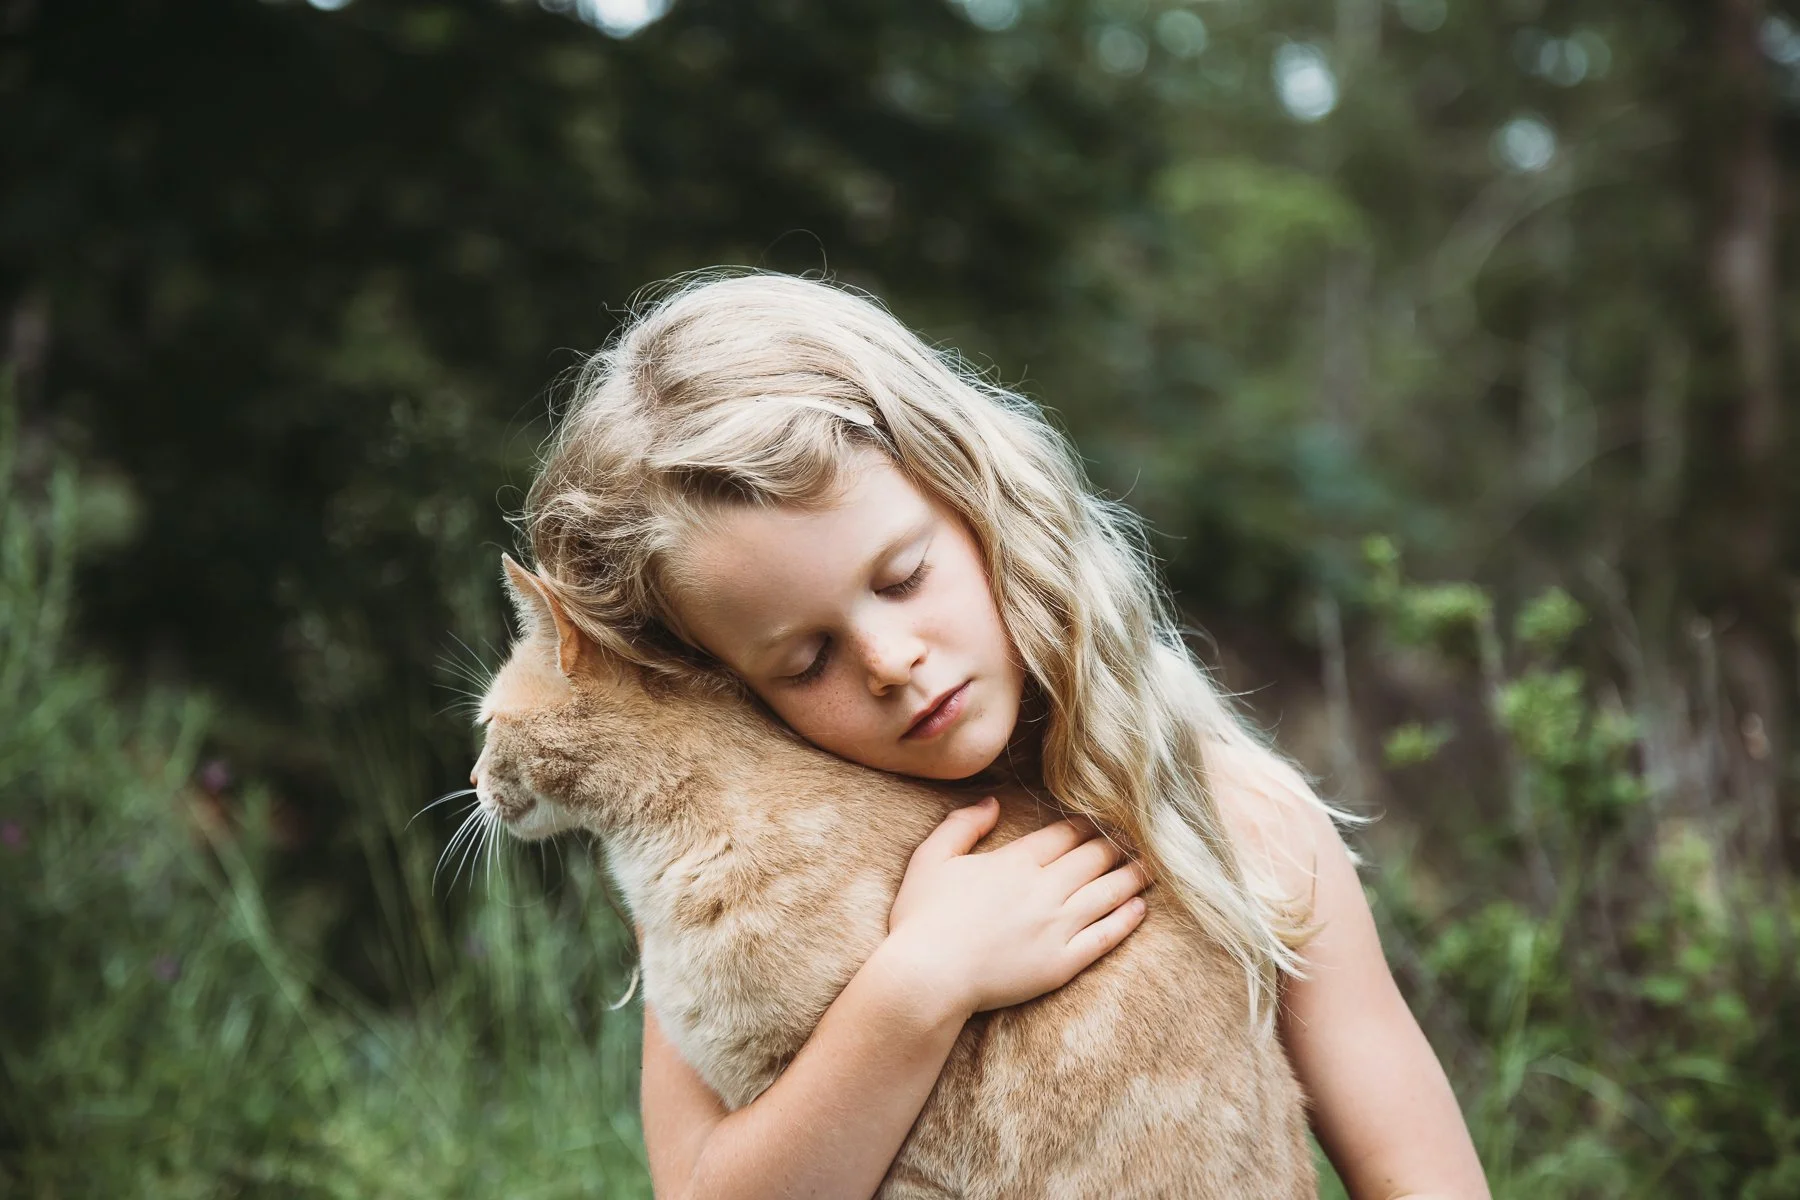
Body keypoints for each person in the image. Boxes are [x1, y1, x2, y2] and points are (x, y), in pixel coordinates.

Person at [523, 270, 1489, 1199]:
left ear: (979, 498)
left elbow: (1424, 1181)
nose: (890, 661)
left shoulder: (1239, 818)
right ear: (725, 687)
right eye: (805, 661)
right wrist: (917, 988)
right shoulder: (733, 893)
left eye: (902, 578)